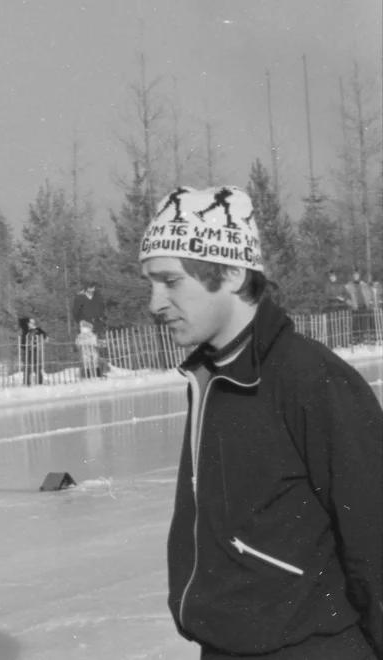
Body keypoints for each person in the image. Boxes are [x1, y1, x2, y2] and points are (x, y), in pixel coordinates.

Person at [139, 186, 382, 658]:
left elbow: (375, 537)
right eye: (150, 283)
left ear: (229, 272)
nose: (154, 303)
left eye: (170, 281)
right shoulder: (210, 375)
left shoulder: (311, 379)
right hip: (227, 645)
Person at [16, 316, 47, 386]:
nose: (32, 324)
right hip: (26, 350)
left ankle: (39, 382)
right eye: (30, 322)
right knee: (27, 367)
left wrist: (42, 335)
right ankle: (27, 383)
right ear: (27, 323)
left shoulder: (35, 330)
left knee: (35, 367)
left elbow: (43, 334)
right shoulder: (25, 330)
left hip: (33, 350)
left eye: (32, 323)